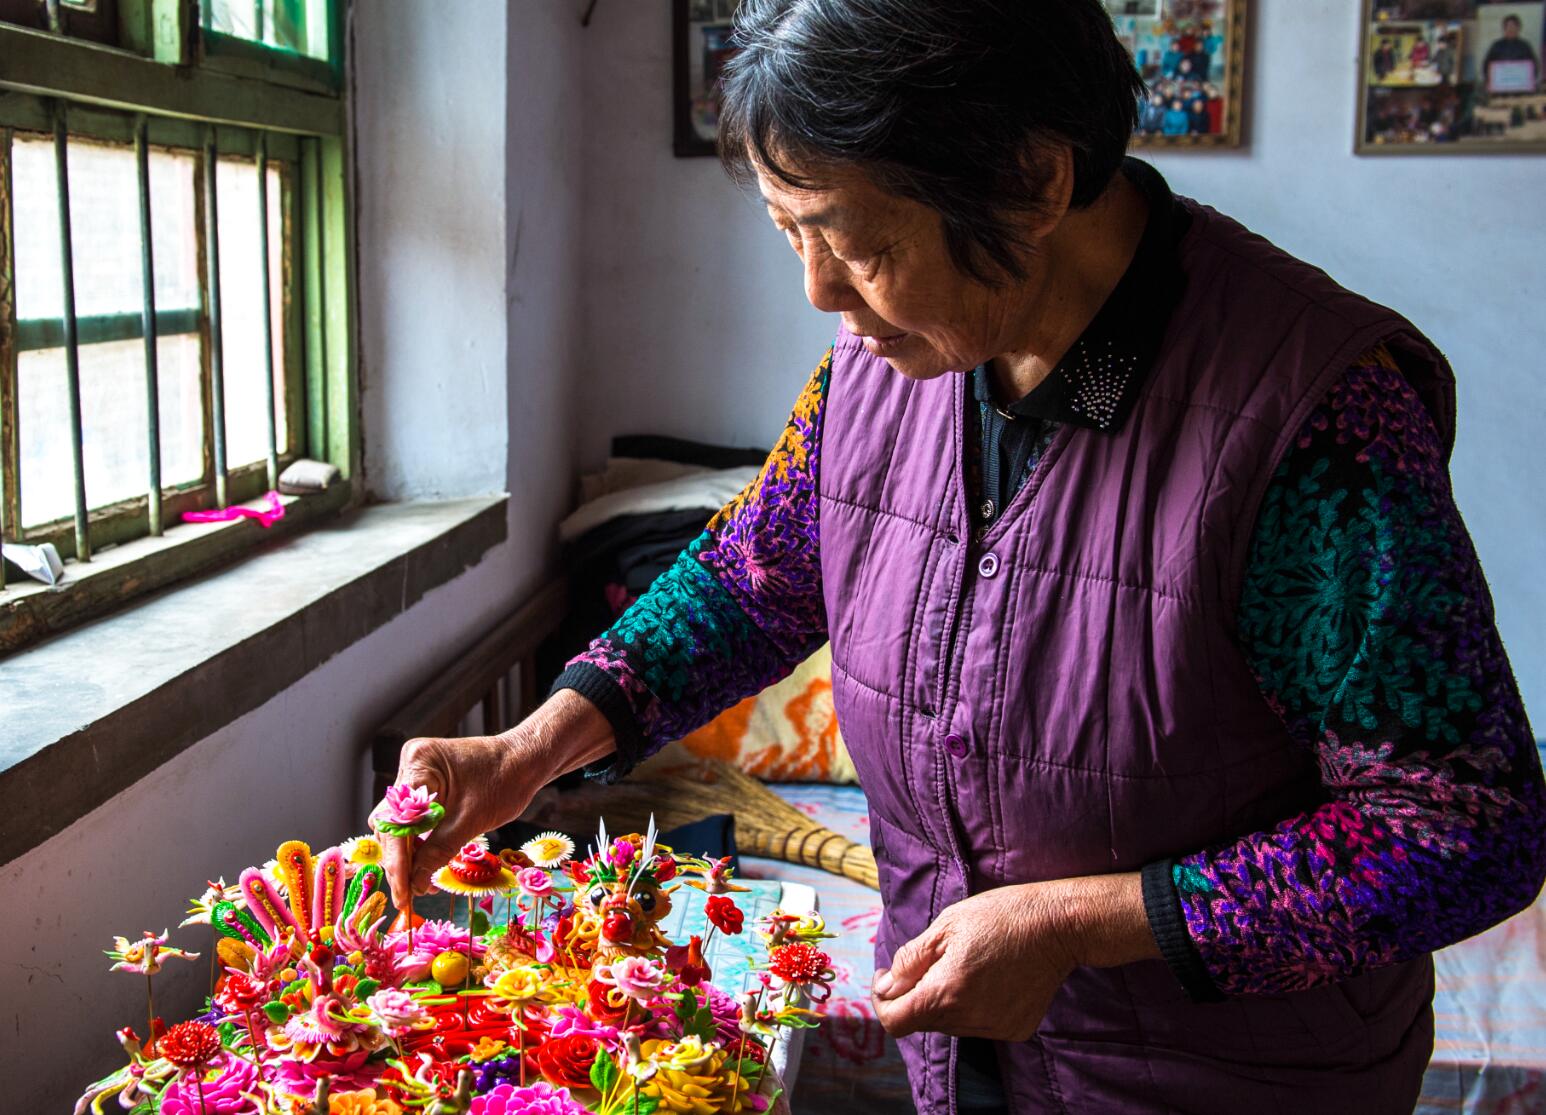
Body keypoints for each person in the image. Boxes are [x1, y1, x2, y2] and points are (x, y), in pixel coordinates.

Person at [380, 2, 1546, 1112]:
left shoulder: (1308, 417)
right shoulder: (881, 367)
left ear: (1031, 181)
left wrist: (1082, 922)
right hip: (968, 1056)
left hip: (1227, 1080)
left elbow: (1463, 826)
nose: (822, 294)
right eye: (794, 236)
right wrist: (532, 747)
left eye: (859, 242)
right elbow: (753, 578)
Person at [1484, 13, 1542, 89]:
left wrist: (1530, 80)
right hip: (1500, 88)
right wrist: (1490, 80)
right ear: (1504, 29)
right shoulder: (1496, 46)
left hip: (1521, 88)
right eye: (1508, 26)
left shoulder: (1525, 46)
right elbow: (1486, 66)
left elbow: (1534, 66)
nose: (1511, 29)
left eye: (1514, 26)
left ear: (1518, 28)